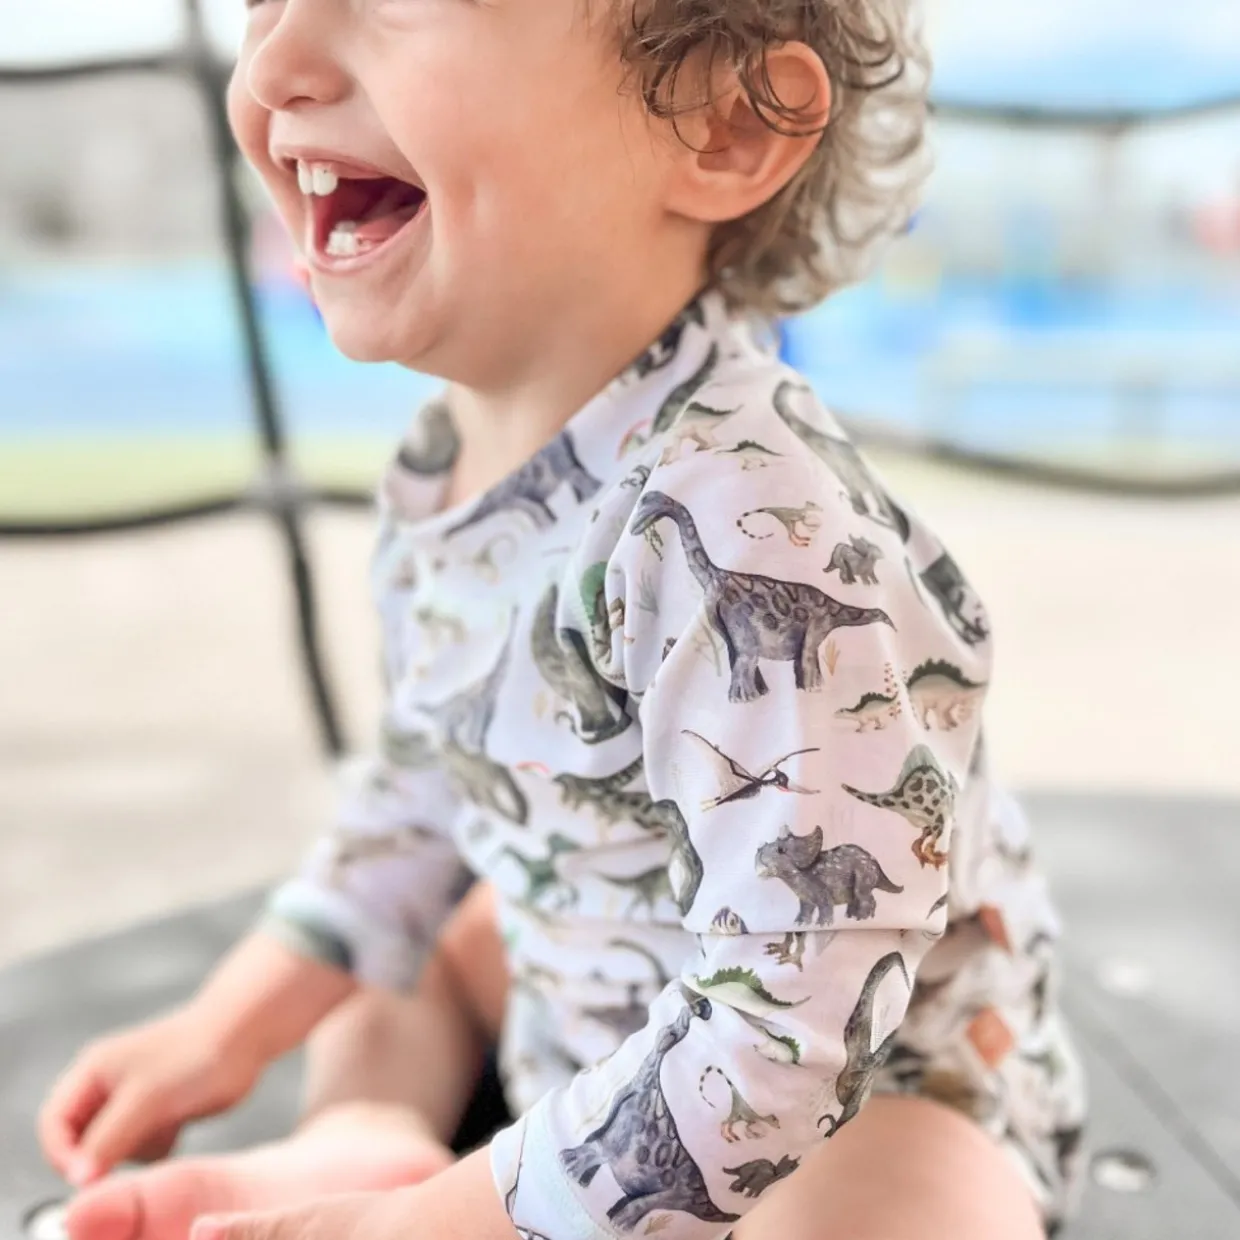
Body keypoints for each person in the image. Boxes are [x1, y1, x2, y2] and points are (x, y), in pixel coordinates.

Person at [39, 1, 1087, 1238]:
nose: (274, 65)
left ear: (723, 125)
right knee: (431, 931)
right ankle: (364, 1134)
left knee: (888, 1202)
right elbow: (424, 788)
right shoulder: (442, 465)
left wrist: (424, 1232)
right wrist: (227, 1023)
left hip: (854, 1080)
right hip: (580, 1018)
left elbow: (801, 1014)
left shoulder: (758, 520)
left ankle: (448, 1198)